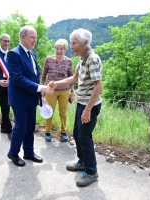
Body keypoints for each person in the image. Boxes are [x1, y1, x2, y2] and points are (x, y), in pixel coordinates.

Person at [49, 28, 103, 187]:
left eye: (74, 43)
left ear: (85, 43)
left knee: (85, 137)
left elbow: (98, 87)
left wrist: (87, 110)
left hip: (89, 105)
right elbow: (74, 78)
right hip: (82, 103)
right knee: (78, 133)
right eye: (71, 42)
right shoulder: (81, 58)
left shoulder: (92, 59)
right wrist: (55, 83)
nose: (71, 46)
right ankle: (82, 162)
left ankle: (92, 172)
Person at [6, 25, 54, 167]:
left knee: (30, 127)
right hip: (19, 99)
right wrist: (39, 87)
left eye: (36, 38)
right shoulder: (14, 54)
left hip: (32, 97)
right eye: (32, 37)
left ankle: (28, 152)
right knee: (20, 127)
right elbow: (17, 78)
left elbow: (33, 76)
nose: (35, 41)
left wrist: (40, 91)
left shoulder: (32, 54)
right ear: (23, 37)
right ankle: (13, 153)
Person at [40, 39, 74, 142]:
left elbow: (71, 77)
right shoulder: (49, 59)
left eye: (61, 49)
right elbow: (44, 75)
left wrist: (72, 91)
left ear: (65, 50)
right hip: (51, 90)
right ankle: (47, 132)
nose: (59, 51)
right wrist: (42, 88)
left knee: (63, 113)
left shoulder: (68, 61)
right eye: (57, 48)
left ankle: (63, 132)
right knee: (49, 111)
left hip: (64, 91)